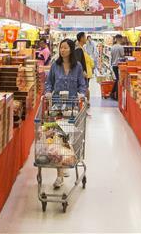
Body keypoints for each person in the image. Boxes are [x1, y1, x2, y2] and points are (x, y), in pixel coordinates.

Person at [43, 38, 88, 189]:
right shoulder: (55, 66)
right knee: (58, 140)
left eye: (65, 48)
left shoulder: (78, 67)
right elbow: (48, 82)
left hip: (73, 108)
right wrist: (48, 92)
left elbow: (82, 84)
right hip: (57, 108)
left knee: (69, 140)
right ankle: (59, 176)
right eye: (61, 48)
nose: (62, 50)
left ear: (71, 50)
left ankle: (67, 162)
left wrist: (82, 94)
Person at [109, 34, 125, 100]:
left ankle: (113, 93)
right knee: (118, 80)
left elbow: (112, 56)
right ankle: (115, 95)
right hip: (119, 65)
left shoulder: (112, 47)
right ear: (120, 39)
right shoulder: (120, 47)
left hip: (114, 65)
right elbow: (123, 56)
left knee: (117, 79)